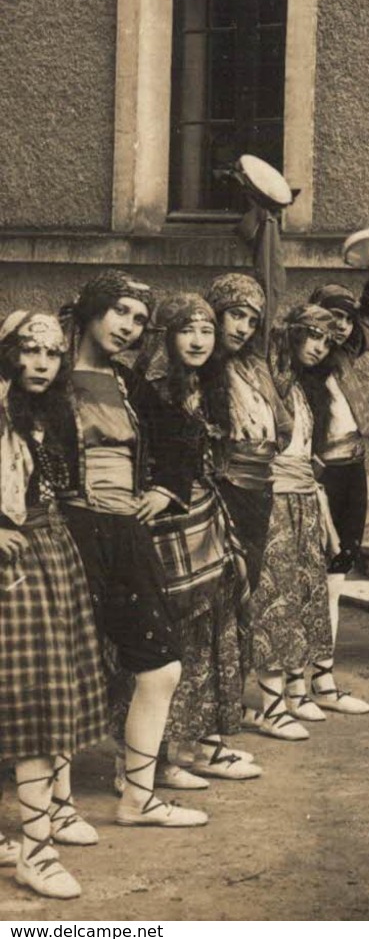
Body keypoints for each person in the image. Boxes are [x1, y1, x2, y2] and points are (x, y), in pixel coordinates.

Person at [57, 271, 207, 828]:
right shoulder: (45, 376)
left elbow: (183, 433)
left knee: (161, 666)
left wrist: (167, 488)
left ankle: (138, 797)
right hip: (67, 529)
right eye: (121, 311)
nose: (130, 327)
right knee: (68, 667)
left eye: (140, 320)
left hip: (126, 533)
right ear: (92, 310)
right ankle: (56, 807)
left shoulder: (127, 384)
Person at [0, 311, 110, 898]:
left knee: (47, 694)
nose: (41, 363)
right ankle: (34, 852)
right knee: (29, 701)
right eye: (28, 351)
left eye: (51, 354)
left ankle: (45, 826)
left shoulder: (51, 413)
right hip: (10, 561)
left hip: (49, 550)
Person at [129, 294, 257, 784]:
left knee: (211, 632)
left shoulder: (208, 384)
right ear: (166, 335)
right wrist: (162, 490)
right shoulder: (150, 390)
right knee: (168, 635)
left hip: (205, 515)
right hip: (166, 524)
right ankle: (151, 759)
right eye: (188, 331)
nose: (200, 340)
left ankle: (198, 743)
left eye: (206, 330)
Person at [243, 304, 344, 736]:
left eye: (326, 340)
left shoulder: (308, 388)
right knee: (274, 597)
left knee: (305, 592)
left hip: (303, 498)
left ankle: (297, 691)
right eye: (312, 336)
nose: (319, 347)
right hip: (274, 497)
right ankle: (270, 705)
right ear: (291, 335)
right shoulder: (270, 379)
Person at [304, 256, 369, 714]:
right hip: (314, 478)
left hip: (350, 472)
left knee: (336, 577)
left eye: (342, 319)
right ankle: (292, 687)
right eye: (327, 318)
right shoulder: (295, 366)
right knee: (305, 577)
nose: (336, 329)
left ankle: (322, 677)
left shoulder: (343, 353)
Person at [202, 273, 289, 738]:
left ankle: (230, 703)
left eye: (252, 320)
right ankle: (211, 712)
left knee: (245, 594)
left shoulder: (254, 367)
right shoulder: (201, 365)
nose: (243, 328)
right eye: (236, 315)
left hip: (260, 487)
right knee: (220, 595)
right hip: (224, 489)